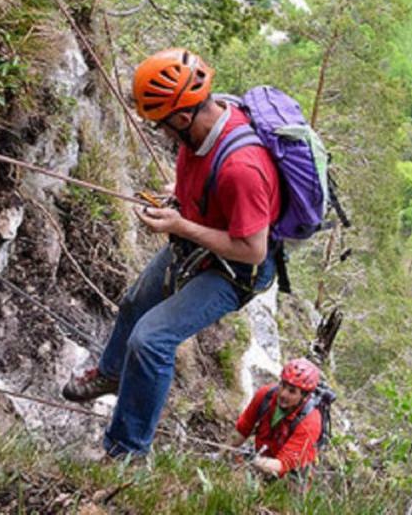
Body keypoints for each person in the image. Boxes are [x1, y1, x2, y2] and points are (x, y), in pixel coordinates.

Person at [61, 47, 280, 458]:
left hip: (232, 272)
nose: (161, 133)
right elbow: (202, 178)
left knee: (150, 340)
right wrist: (178, 199)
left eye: (162, 126)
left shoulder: (242, 168)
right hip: (198, 241)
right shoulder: (204, 126)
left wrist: (181, 226)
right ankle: (110, 375)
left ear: (183, 118)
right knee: (134, 303)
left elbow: (253, 250)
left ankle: (126, 452)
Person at [232, 357, 324, 478]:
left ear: (305, 397)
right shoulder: (266, 395)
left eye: (292, 391)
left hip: (290, 474)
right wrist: (221, 454)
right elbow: (243, 428)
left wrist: (251, 460)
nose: (283, 394)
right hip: (264, 456)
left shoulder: (310, 422)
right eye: (283, 385)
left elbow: (283, 465)